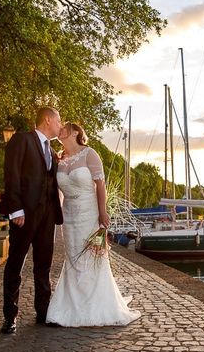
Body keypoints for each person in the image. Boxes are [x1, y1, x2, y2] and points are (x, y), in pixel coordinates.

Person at [45, 122, 140, 327]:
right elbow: (58, 191)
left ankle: (95, 304)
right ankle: (69, 305)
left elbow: (100, 185)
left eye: (64, 128)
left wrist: (102, 211)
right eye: (59, 127)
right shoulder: (59, 158)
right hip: (69, 217)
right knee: (73, 257)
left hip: (89, 214)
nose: (60, 129)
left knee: (91, 255)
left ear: (76, 132)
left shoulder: (90, 154)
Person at [0, 107, 63, 334]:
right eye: (58, 120)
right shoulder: (22, 140)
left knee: (43, 264)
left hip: (47, 216)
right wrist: (15, 210)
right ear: (47, 120)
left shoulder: (52, 151)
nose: (60, 124)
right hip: (24, 215)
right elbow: (12, 174)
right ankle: (10, 316)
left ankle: (43, 312)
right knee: (16, 263)